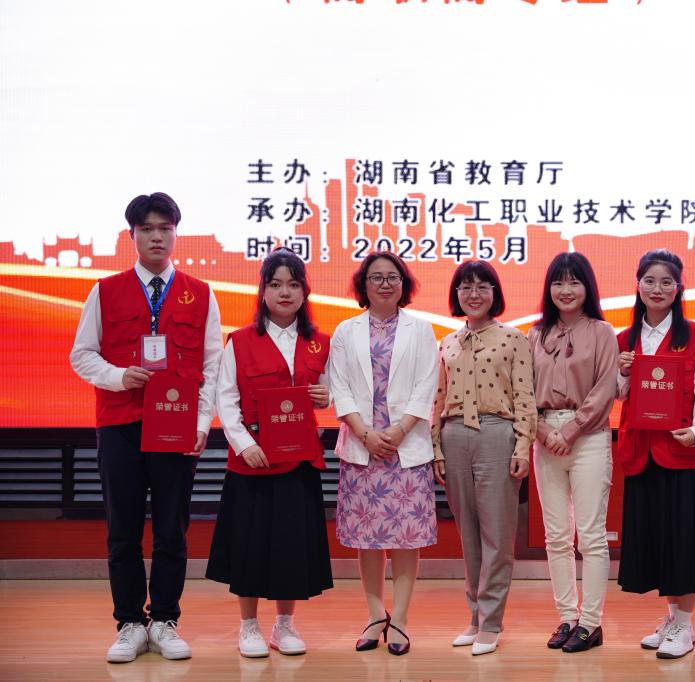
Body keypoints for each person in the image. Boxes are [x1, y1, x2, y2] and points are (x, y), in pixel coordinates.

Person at [70, 192, 222, 663]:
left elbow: (213, 364)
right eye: (147, 229)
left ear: (176, 233)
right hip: (120, 426)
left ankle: (166, 621)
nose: (157, 237)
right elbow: (81, 355)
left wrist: (202, 423)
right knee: (123, 531)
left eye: (165, 229)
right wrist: (119, 376)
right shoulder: (105, 290)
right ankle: (130, 623)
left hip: (176, 428)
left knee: (173, 531)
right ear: (132, 235)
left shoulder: (201, 293)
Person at [206, 247, 333, 658]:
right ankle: (248, 626)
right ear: (262, 291)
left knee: (290, 544)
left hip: (299, 461)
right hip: (253, 462)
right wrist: (245, 444)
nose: (285, 292)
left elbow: (330, 393)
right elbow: (226, 399)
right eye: (276, 284)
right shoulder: (239, 342)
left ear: (304, 292)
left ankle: (284, 624)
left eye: (293, 284)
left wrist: (325, 397)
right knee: (250, 544)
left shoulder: (319, 343)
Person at [330, 251, 439, 657]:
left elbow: (426, 386)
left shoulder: (421, 329)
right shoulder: (345, 331)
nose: (385, 284)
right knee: (368, 539)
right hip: (362, 448)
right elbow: (339, 387)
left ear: (404, 284)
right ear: (363, 285)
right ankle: (376, 615)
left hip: (404, 448)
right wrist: (365, 434)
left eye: (393, 277)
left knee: (406, 539)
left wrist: (398, 431)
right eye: (376, 277)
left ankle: (402, 620)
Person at [615, 249, 695, 660]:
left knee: (684, 542)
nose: (656, 289)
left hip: (681, 450)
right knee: (658, 541)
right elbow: (617, 395)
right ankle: (673, 619)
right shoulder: (625, 338)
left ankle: (685, 626)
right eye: (649, 281)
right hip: (642, 451)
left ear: (678, 288)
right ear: (637, 285)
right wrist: (623, 371)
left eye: (666, 282)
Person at [431, 260, 537, 656]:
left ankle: (491, 623)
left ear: (495, 293)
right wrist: (436, 448)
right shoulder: (447, 342)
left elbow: (525, 397)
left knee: (497, 536)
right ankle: (475, 618)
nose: (473, 294)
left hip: (497, 434)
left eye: (482, 286)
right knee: (469, 535)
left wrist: (522, 446)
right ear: (456, 294)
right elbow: (437, 398)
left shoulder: (514, 338)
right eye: (465, 287)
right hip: (453, 435)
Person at [528, 252, 618, 654]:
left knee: (592, 535)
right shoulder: (534, 335)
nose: (566, 290)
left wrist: (570, 430)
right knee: (557, 536)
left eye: (574, 281)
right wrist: (545, 431)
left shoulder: (602, 332)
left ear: (588, 288)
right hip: (544, 436)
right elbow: (521, 391)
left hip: (589, 437)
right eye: (558, 282)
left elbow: (604, 390)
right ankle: (567, 617)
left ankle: (590, 622)